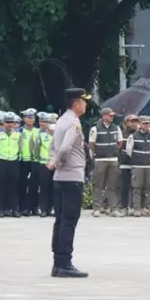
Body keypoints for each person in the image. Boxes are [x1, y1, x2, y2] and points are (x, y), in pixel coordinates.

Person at [48, 88, 89, 278]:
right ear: (76, 103)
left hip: (60, 177)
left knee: (61, 219)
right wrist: (56, 161)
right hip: (72, 177)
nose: (86, 104)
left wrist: (54, 162)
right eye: (84, 101)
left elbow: (53, 146)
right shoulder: (74, 123)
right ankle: (65, 262)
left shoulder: (61, 120)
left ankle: (58, 262)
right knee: (69, 221)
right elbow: (65, 147)